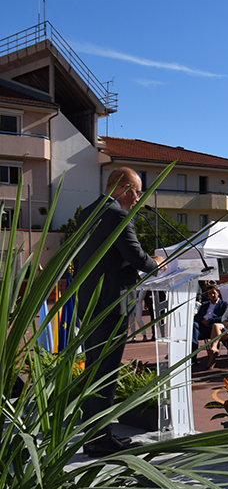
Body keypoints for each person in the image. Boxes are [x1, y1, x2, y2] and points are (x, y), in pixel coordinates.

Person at [77, 167, 164, 457]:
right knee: (105, 372)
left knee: (93, 370)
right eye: (137, 191)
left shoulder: (87, 211)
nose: (139, 198)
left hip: (89, 303)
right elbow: (136, 257)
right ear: (124, 188)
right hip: (110, 305)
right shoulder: (116, 215)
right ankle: (100, 440)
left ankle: (93, 434)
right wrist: (158, 263)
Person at [193, 286, 228, 356]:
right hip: (202, 326)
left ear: (217, 293)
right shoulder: (204, 304)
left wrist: (210, 321)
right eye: (209, 293)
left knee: (195, 333)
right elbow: (197, 316)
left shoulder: (224, 305)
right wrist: (202, 320)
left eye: (213, 293)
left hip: (213, 327)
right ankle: (193, 355)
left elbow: (223, 317)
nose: (212, 295)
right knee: (194, 326)